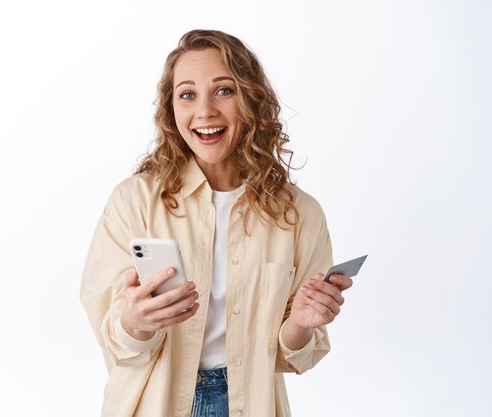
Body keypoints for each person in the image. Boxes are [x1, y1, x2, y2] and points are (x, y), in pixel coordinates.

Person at [80, 29, 353, 417]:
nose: (204, 110)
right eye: (187, 94)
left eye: (224, 90)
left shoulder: (299, 214)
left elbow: (294, 356)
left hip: (251, 404)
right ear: (171, 108)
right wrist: (134, 320)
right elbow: (114, 340)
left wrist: (302, 323)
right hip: (153, 403)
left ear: (252, 99)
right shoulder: (134, 201)